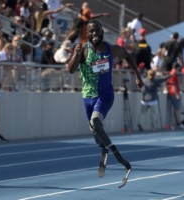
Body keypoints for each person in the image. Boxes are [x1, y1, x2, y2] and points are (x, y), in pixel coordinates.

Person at [68, 20, 144, 187]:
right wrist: (75, 54)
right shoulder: (83, 49)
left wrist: (138, 76)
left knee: (96, 121)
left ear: (102, 31)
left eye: (97, 31)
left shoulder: (111, 49)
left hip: (105, 94)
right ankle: (103, 147)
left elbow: (129, 56)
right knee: (95, 131)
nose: (94, 34)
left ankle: (115, 152)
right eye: (90, 32)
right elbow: (71, 69)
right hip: (87, 97)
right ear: (86, 34)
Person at [167, 62, 184, 129]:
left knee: (173, 109)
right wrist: (177, 95)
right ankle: (179, 123)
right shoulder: (174, 74)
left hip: (171, 93)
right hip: (174, 94)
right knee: (177, 109)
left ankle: (172, 124)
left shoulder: (171, 73)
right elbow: (173, 85)